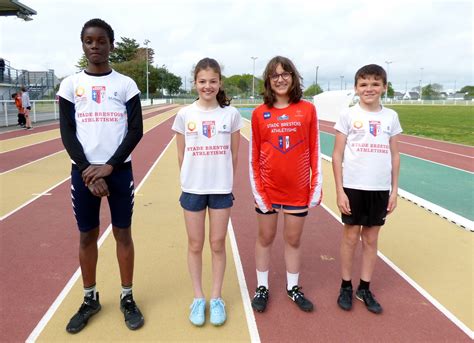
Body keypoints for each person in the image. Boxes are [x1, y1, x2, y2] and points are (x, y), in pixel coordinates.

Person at [57, 18, 145, 333]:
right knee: (86, 235)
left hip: (119, 171)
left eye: (101, 41)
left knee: (123, 233)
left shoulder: (125, 84)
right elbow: (67, 132)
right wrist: (87, 171)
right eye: (89, 41)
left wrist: (109, 166)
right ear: (83, 45)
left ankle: (127, 296)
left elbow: (136, 130)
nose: (95, 46)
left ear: (111, 44)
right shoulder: (70, 85)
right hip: (83, 173)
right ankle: (90, 297)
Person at [172, 57, 243, 327]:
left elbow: (234, 155)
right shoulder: (185, 115)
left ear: (220, 83)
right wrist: (193, 178)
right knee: (194, 244)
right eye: (202, 81)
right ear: (195, 83)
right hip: (193, 189)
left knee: (216, 244)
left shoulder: (230, 115)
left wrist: (222, 178)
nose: (208, 86)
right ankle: (198, 297)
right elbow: (181, 155)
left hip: (221, 189)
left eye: (213, 81)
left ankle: (216, 297)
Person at [249, 56, 322, 313]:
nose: (280, 79)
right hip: (268, 189)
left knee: (293, 239)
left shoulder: (307, 109)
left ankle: (292, 287)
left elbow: (315, 149)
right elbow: (254, 156)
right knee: (265, 237)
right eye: (274, 75)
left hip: (298, 190)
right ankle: (262, 287)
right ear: (268, 80)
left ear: (293, 77)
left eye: (285, 74)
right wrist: (258, 191)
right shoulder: (259, 114)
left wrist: (316, 185)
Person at [332, 64, 402, 314]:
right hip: (353, 186)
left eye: (374, 84)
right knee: (350, 237)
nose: (369, 88)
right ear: (356, 88)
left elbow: (395, 155)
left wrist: (394, 190)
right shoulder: (348, 115)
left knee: (371, 239)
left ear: (384, 87)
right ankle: (346, 286)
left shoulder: (390, 117)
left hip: (379, 189)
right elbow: (337, 154)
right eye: (363, 84)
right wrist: (340, 190)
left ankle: (364, 287)